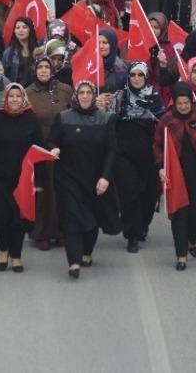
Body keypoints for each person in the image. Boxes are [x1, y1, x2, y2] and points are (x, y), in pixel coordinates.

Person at [0, 84, 49, 272]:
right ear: (6, 99)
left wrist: (39, 182)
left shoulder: (30, 119)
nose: (15, 99)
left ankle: (16, 255)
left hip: (23, 180)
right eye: (11, 96)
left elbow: (38, 150)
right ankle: (3, 250)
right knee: (0, 217)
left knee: (18, 219)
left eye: (18, 96)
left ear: (23, 98)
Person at [50, 81, 118, 279]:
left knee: (91, 219)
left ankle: (87, 251)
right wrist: (54, 147)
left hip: (94, 178)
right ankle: (73, 261)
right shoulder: (64, 117)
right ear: (76, 96)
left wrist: (105, 177)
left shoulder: (106, 119)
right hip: (68, 178)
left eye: (89, 92)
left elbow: (111, 151)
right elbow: (52, 139)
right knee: (71, 219)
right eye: (82, 92)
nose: (86, 96)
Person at [154, 83, 196, 270]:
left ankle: (192, 239)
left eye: (186, 102)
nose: (183, 106)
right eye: (180, 103)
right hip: (176, 177)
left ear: (191, 101)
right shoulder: (167, 121)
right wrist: (161, 167)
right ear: (174, 102)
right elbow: (158, 146)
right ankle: (181, 255)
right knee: (180, 215)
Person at [112, 62, 164, 253]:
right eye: (132, 75)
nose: (136, 78)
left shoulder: (154, 97)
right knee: (129, 194)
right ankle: (131, 235)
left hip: (149, 154)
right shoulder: (120, 96)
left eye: (140, 75)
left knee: (148, 195)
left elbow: (163, 122)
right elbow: (110, 120)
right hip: (124, 154)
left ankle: (143, 225)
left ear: (145, 76)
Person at [25, 57, 73, 250]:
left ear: (52, 70)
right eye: (40, 67)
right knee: (43, 193)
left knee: (61, 192)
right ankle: (42, 233)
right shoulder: (27, 92)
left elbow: (73, 112)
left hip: (62, 149)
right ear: (34, 70)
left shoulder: (65, 90)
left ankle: (61, 231)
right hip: (38, 149)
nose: (43, 70)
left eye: (47, 67)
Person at [2, 17, 41, 86]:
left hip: (35, 91)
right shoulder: (7, 53)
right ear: (14, 31)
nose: (21, 30)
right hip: (16, 92)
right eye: (17, 28)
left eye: (24, 27)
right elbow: (4, 76)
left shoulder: (39, 50)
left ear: (30, 30)